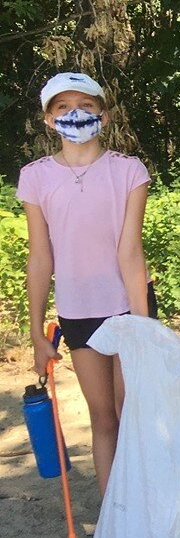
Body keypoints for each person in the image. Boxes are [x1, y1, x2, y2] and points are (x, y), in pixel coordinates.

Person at [19, 71, 151, 502]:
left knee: (131, 412)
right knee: (103, 418)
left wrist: (143, 327)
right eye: (62, 107)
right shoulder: (35, 177)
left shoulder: (129, 171)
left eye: (86, 105)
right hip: (77, 311)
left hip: (128, 306)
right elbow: (40, 258)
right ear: (48, 119)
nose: (74, 114)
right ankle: (116, 515)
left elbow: (130, 252)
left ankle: (144, 509)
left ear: (104, 115)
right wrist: (38, 334)